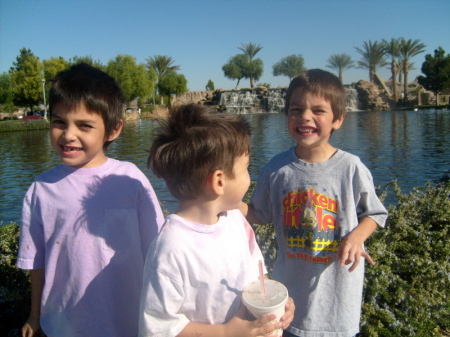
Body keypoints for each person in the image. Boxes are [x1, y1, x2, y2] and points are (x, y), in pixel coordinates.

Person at [16, 63, 165, 337]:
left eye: (84, 125)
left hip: (128, 320)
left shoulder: (130, 180)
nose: (68, 134)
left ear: (113, 129)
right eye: (59, 121)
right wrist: (34, 315)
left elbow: (158, 248)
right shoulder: (41, 189)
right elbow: (36, 262)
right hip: (63, 324)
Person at [240, 69, 388, 337]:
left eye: (318, 111)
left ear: (338, 119)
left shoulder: (351, 168)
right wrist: (225, 203)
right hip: (290, 299)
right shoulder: (276, 169)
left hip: (337, 302)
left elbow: (375, 213)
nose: (305, 116)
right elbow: (260, 213)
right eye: (296, 109)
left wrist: (356, 237)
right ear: (287, 116)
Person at [139, 104, 294, 337]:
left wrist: (275, 301)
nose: (248, 177)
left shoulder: (235, 219)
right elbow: (159, 328)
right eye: (246, 168)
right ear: (219, 181)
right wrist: (226, 332)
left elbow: (257, 273)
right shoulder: (172, 249)